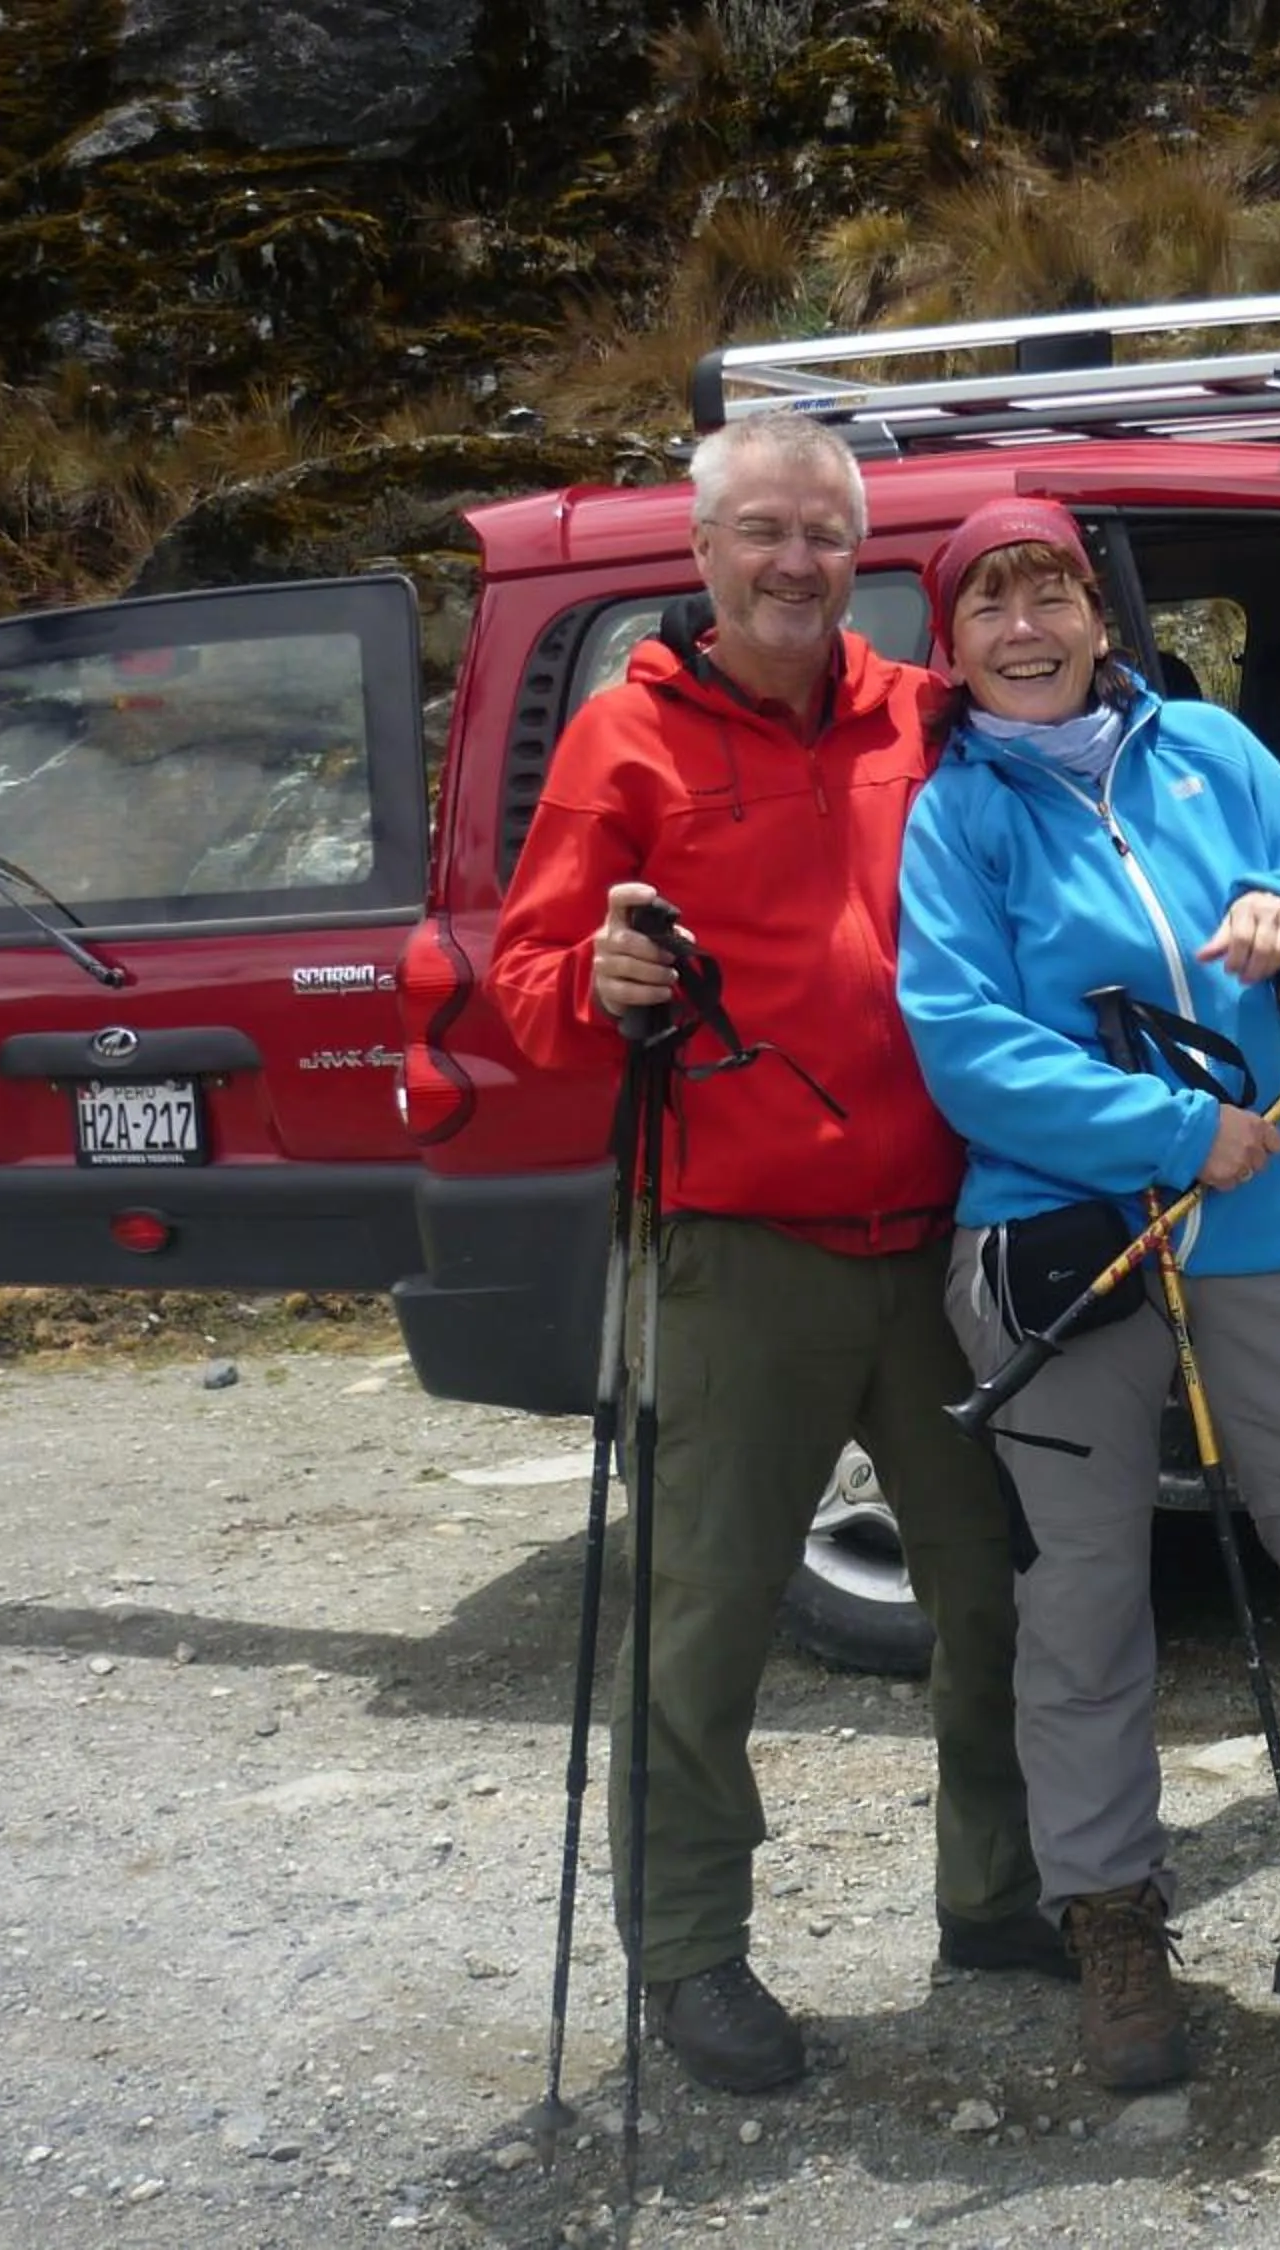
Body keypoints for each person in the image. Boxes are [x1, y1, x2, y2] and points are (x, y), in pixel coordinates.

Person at [486, 417, 1067, 2098]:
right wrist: (598, 990)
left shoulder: (923, 713)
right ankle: (689, 1953)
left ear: (859, 554)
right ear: (706, 552)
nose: (798, 563)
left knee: (1002, 1590)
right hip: (741, 1250)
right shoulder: (626, 738)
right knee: (706, 1615)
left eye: (825, 535)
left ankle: (999, 1895)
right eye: (765, 534)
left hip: (948, 1239)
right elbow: (529, 992)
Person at [894, 496, 1280, 2094]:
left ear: (1098, 616)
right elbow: (969, 1048)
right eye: (987, 600)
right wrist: (1173, 1128)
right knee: (1081, 1607)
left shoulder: (1210, 751)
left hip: (1264, 1231)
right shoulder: (956, 816)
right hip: (1064, 1255)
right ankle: (1114, 1914)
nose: (1024, 624)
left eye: (1048, 590)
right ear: (954, 642)